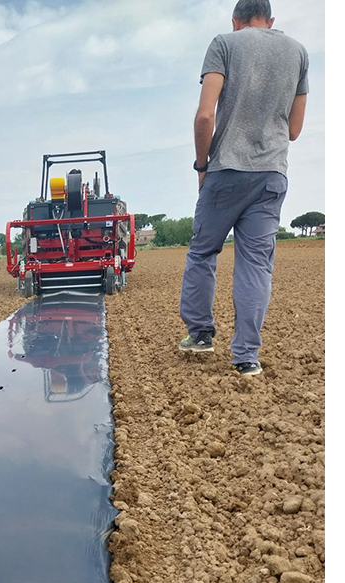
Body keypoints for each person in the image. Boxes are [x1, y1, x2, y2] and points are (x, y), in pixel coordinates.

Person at [178, 0, 308, 376]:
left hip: (226, 170)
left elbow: (205, 115)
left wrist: (202, 166)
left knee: (203, 252)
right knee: (255, 265)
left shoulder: (224, 43)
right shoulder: (298, 52)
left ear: (236, 21)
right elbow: (294, 130)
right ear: (270, 21)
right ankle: (246, 357)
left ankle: (201, 335)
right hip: (271, 174)